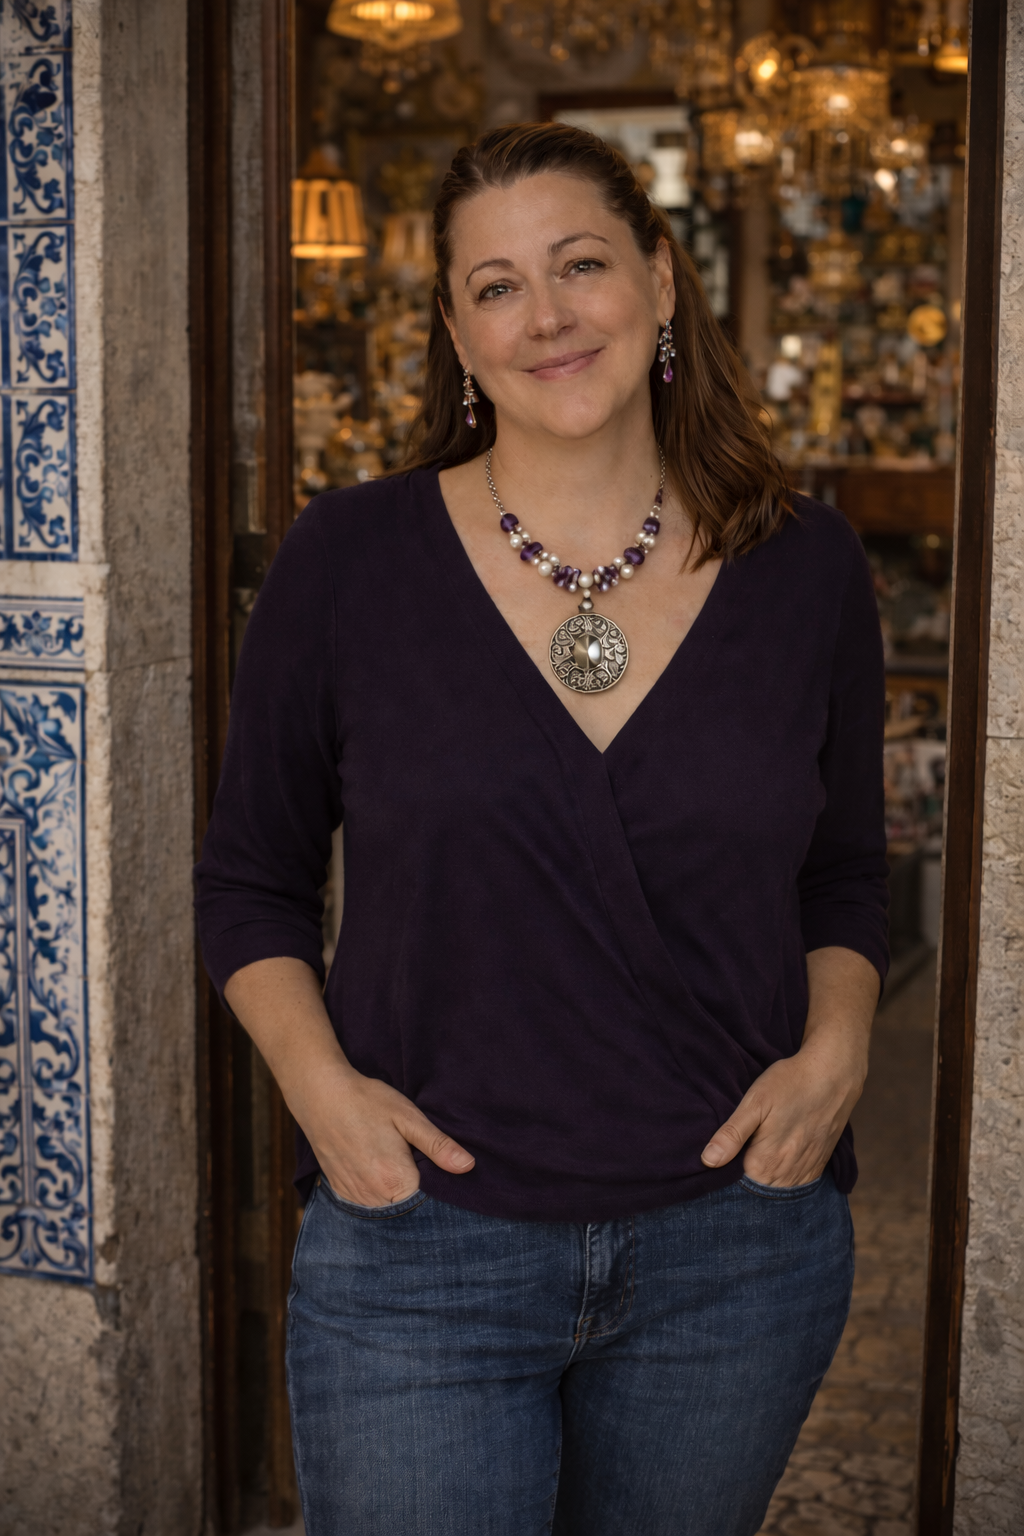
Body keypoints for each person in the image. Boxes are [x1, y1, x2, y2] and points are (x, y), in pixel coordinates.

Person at [194, 123, 887, 1536]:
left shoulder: (804, 564)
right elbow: (250, 883)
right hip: (421, 1256)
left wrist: (840, 1051)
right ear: (454, 329)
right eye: (497, 285)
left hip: (738, 1253)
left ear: (663, 279)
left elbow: (845, 868)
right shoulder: (349, 561)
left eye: (581, 264)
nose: (548, 315)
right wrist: (323, 1098)